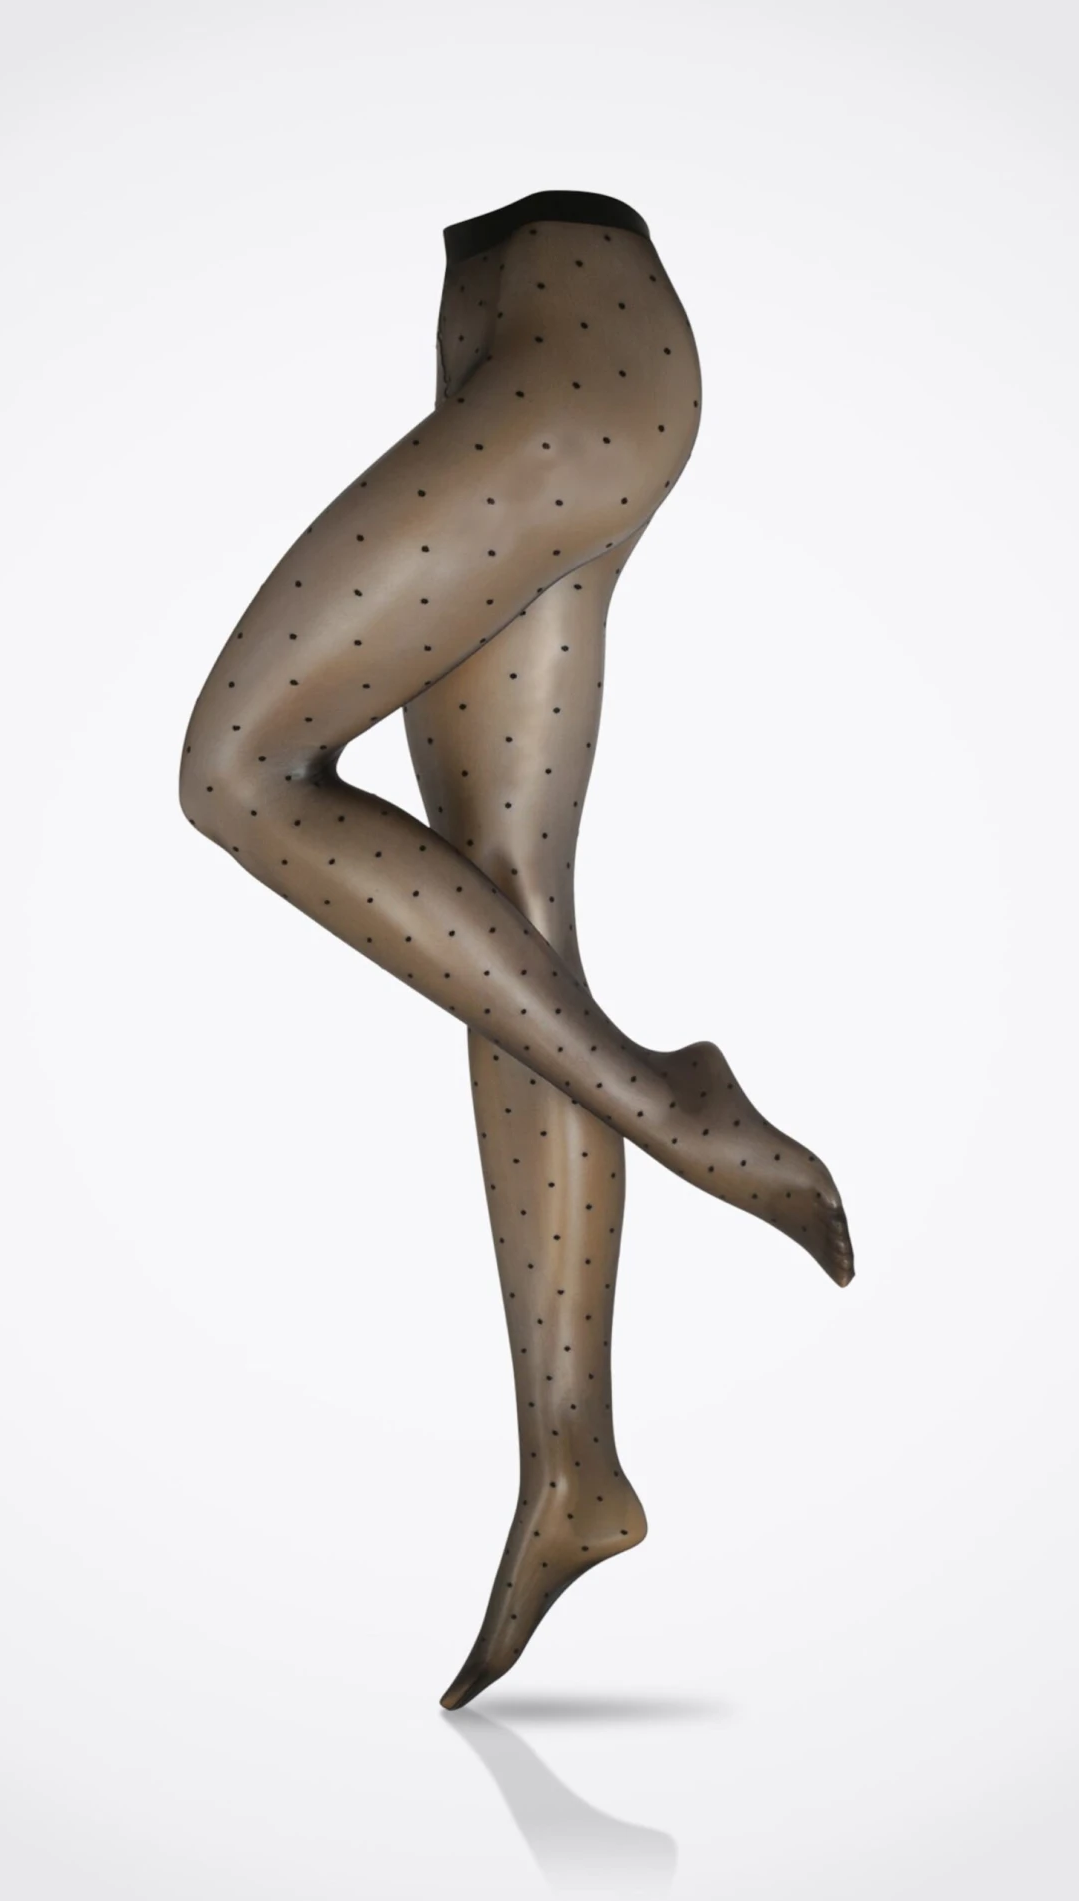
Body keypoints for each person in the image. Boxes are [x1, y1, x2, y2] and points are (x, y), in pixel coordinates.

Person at [178, 189, 854, 1709]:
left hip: (573, 360)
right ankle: (571, 1468)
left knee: (238, 770)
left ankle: (679, 1109)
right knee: (504, 918)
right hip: (542, 366)